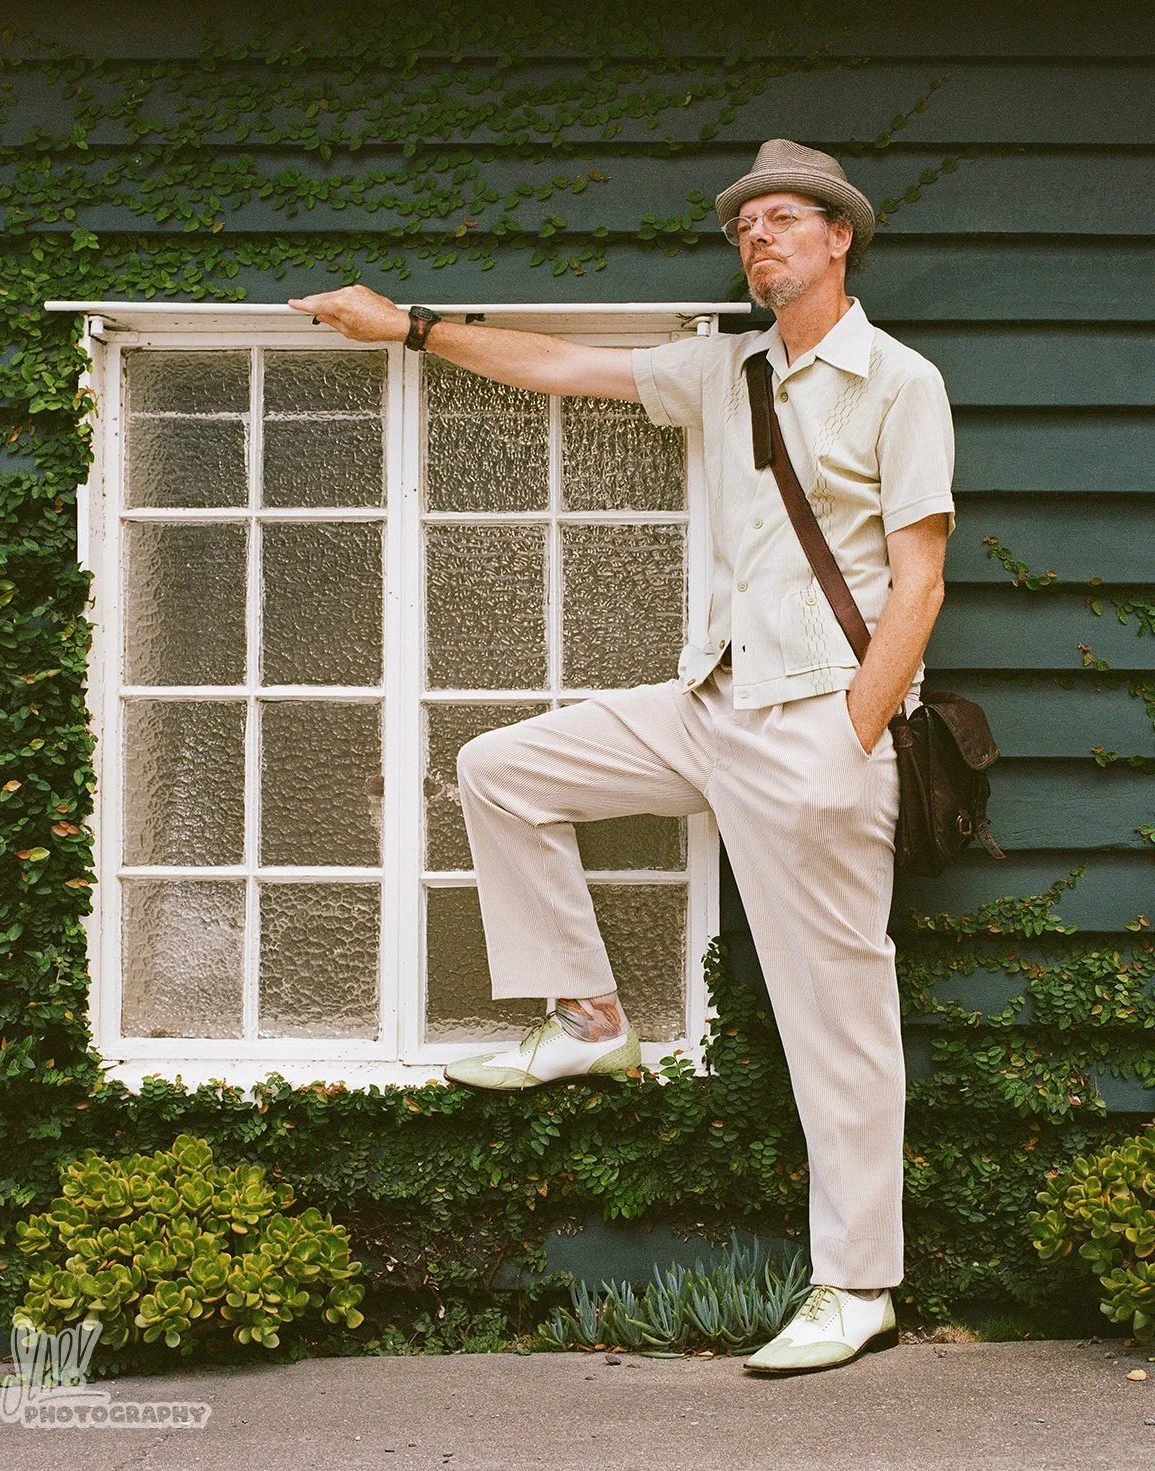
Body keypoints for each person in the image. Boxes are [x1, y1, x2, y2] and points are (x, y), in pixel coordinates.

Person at [288, 137, 956, 1375]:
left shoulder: (898, 382)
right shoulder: (729, 372)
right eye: (742, 225)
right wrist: (409, 327)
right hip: (713, 702)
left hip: (822, 724)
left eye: (782, 220)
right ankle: (590, 1012)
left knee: (839, 1020)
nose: (756, 237)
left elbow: (919, 580)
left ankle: (857, 1285)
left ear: (838, 237)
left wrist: (848, 742)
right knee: (501, 769)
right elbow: (561, 364)